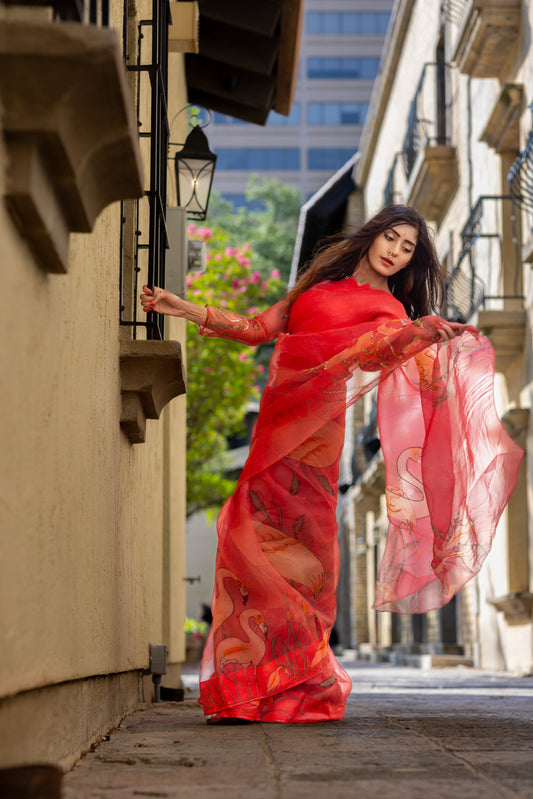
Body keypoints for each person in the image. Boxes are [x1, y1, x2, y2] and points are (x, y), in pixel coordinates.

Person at [140, 204, 523, 724]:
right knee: (249, 540)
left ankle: (299, 683)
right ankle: (249, 683)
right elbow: (256, 329)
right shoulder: (315, 286)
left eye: (408, 248)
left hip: (318, 435)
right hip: (275, 425)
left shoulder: (390, 309)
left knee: (308, 554)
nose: (395, 252)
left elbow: (378, 357)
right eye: (391, 238)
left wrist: (422, 333)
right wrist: (183, 307)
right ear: (371, 237)